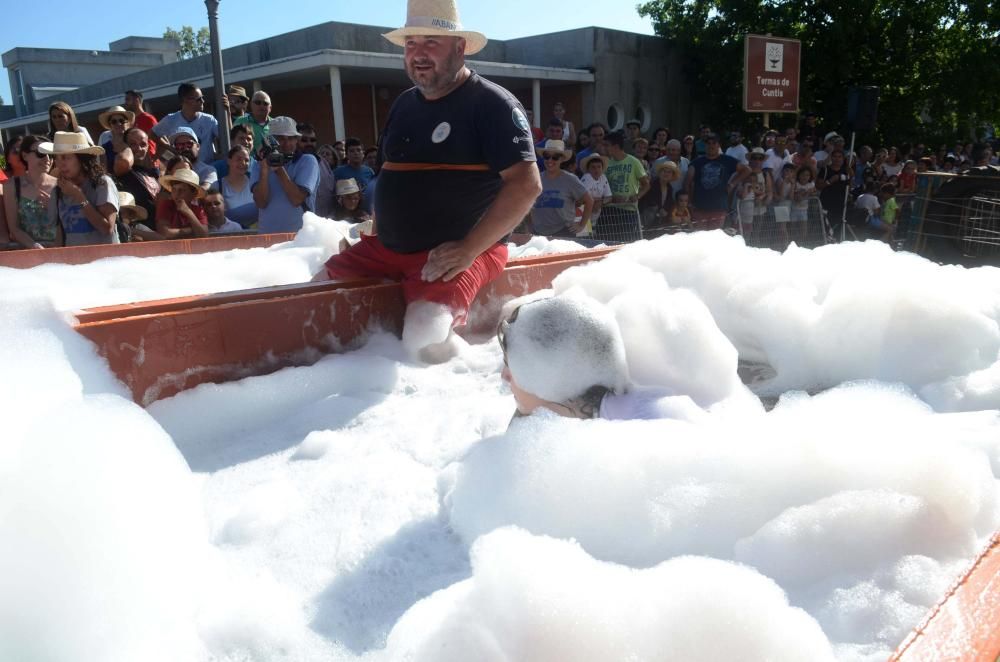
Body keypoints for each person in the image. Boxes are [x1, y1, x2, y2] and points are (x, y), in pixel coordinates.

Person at [312, 0, 542, 363]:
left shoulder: (491, 104)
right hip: (386, 248)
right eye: (410, 44)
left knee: (425, 342)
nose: (418, 54)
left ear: (460, 47)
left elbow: (526, 185)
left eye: (431, 42)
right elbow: (395, 177)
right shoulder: (404, 104)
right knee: (311, 296)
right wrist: (377, 228)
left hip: (458, 251)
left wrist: (469, 250)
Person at [41, 132, 120, 246]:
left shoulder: (102, 183)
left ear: (81, 159)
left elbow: (107, 229)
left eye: (66, 157)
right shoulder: (58, 190)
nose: (60, 164)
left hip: (104, 261)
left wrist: (78, 196)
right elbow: (59, 234)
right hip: (74, 261)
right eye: (57, 158)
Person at [251, 116, 320, 234]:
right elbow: (261, 203)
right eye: (281, 139)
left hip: (300, 239)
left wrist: (278, 168)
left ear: (297, 140)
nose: (287, 143)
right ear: (269, 141)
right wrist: (264, 169)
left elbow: (296, 199)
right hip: (267, 239)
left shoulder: (308, 161)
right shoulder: (258, 165)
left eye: (291, 138)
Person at [685, 132, 749, 229]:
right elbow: (687, 183)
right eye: (708, 143)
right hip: (699, 208)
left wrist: (732, 183)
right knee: (699, 238)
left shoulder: (727, 160)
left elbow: (747, 170)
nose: (711, 145)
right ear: (705, 145)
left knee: (714, 239)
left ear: (718, 145)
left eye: (714, 143)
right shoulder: (696, 162)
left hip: (719, 208)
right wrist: (689, 202)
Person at [3, 135, 58, 249]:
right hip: (28, 252)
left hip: (59, 252)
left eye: (51, 154)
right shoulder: (11, 186)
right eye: (41, 153)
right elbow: (14, 228)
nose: (47, 159)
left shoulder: (60, 185)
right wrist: (35, 247)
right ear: (24, 155)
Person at [529, 139, 592, 237]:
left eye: (555, 157)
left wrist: (581, 225)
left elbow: (589, 201)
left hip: (564, 232)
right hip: (538, 233)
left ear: (562, 159)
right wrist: (529, 226)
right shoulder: (536, 178)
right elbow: (528, 204)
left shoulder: (571, 179)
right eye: (547, 156)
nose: (550, 160)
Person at [151, 83, 220, 164]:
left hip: (207, 169)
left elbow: (228, 137)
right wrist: (169, 148)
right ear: (186, 100)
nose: (203, 101)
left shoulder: (209, 119)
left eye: (202, 98)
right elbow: (152, 134)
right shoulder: (171, 119)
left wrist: (227, 113)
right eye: (199, 99)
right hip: (183, 170)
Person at [600, 130, 649, 241]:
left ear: (616, 146)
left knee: (626, 244)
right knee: (608, 243)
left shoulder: (634, 161)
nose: (604, 148)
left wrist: (637, 196)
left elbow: (646, 185)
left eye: (607, 145)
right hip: (609, 210)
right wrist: (611, 198)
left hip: (628, 210)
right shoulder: (606, 163)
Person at [114, 128, 161, 222]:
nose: (139, 148)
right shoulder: (124, 170)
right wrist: (125, 147)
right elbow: (124, 161)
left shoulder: (152, 172)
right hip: (138, 231)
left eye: (143, 144)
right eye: (133, 144)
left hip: (158, 230)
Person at [155, 168, 209, 239]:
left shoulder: (198, 210)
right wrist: (191, 230)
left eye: (182, 190)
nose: (176, 194)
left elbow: (204, 235)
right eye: (174, 189)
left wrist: (188, 212)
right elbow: (165, 233)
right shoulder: (166, 205)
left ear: (194, 194)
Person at [333, 137, 375, 212]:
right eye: (352, 151)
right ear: (347, 154)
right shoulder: (338, 172)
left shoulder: (369, 171)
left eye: (358, 150)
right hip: (345, 215)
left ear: (363, 153)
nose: (356, 153)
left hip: (366, 213)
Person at [736, 147, 772, 236]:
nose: (757, 160)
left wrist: (764, 200)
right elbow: (738, 189)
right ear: (750, 159)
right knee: (743, 235)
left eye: (760, 158)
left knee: (756, 235)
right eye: (754, 158)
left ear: (763, 160)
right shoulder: (745, 172)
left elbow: (769, 191)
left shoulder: (765, 174)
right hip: (744, 210)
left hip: (760, 210)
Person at [220, 145, 258, 228]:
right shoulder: (219, 185)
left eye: (247, 160)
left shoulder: (255, 182)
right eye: (239, 159)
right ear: (228, 161)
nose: (243, 163)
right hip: (231, 235)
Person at [816, 149, 853, 228]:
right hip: (827, 202)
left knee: (838, 225)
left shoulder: (846, 171)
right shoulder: (825, 169)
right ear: (831, 158)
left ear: (843, 159)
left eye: (839, 157)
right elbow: (818, 186)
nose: (837, 159)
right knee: (825, 225)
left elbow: (849, 187)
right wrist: (830, 181)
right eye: (835, 156)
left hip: (841, 204)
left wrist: (851, 176)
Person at [578, 153, 611, 237]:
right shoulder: (587, 177)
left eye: (599, 167)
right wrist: (596, 202)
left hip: (595, 215)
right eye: (593, 167)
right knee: (584, 239)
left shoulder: (603, 177)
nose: (596, 170)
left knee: (593, 238)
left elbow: (609, 197)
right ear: (588, 169)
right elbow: (583, 198)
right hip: (582, 214)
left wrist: (600, 202)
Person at [641, 159, 678, 229]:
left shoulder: (670, 188)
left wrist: (665, 210)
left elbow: (669, 203)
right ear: (660, 172)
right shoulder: (651, 184)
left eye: (669, 172)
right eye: (664, 171)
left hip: (659, 222)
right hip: (646, 220)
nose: (666, 174)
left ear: (672, 176)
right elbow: (647, 200)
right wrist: (659, 209)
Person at [98, 105, 133, 172]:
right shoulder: (104, 149)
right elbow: (104, 171)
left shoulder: (134, 143)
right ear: (110, 125)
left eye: (121, 121)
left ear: (127, 123)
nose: (118, 124)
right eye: (114, 121)